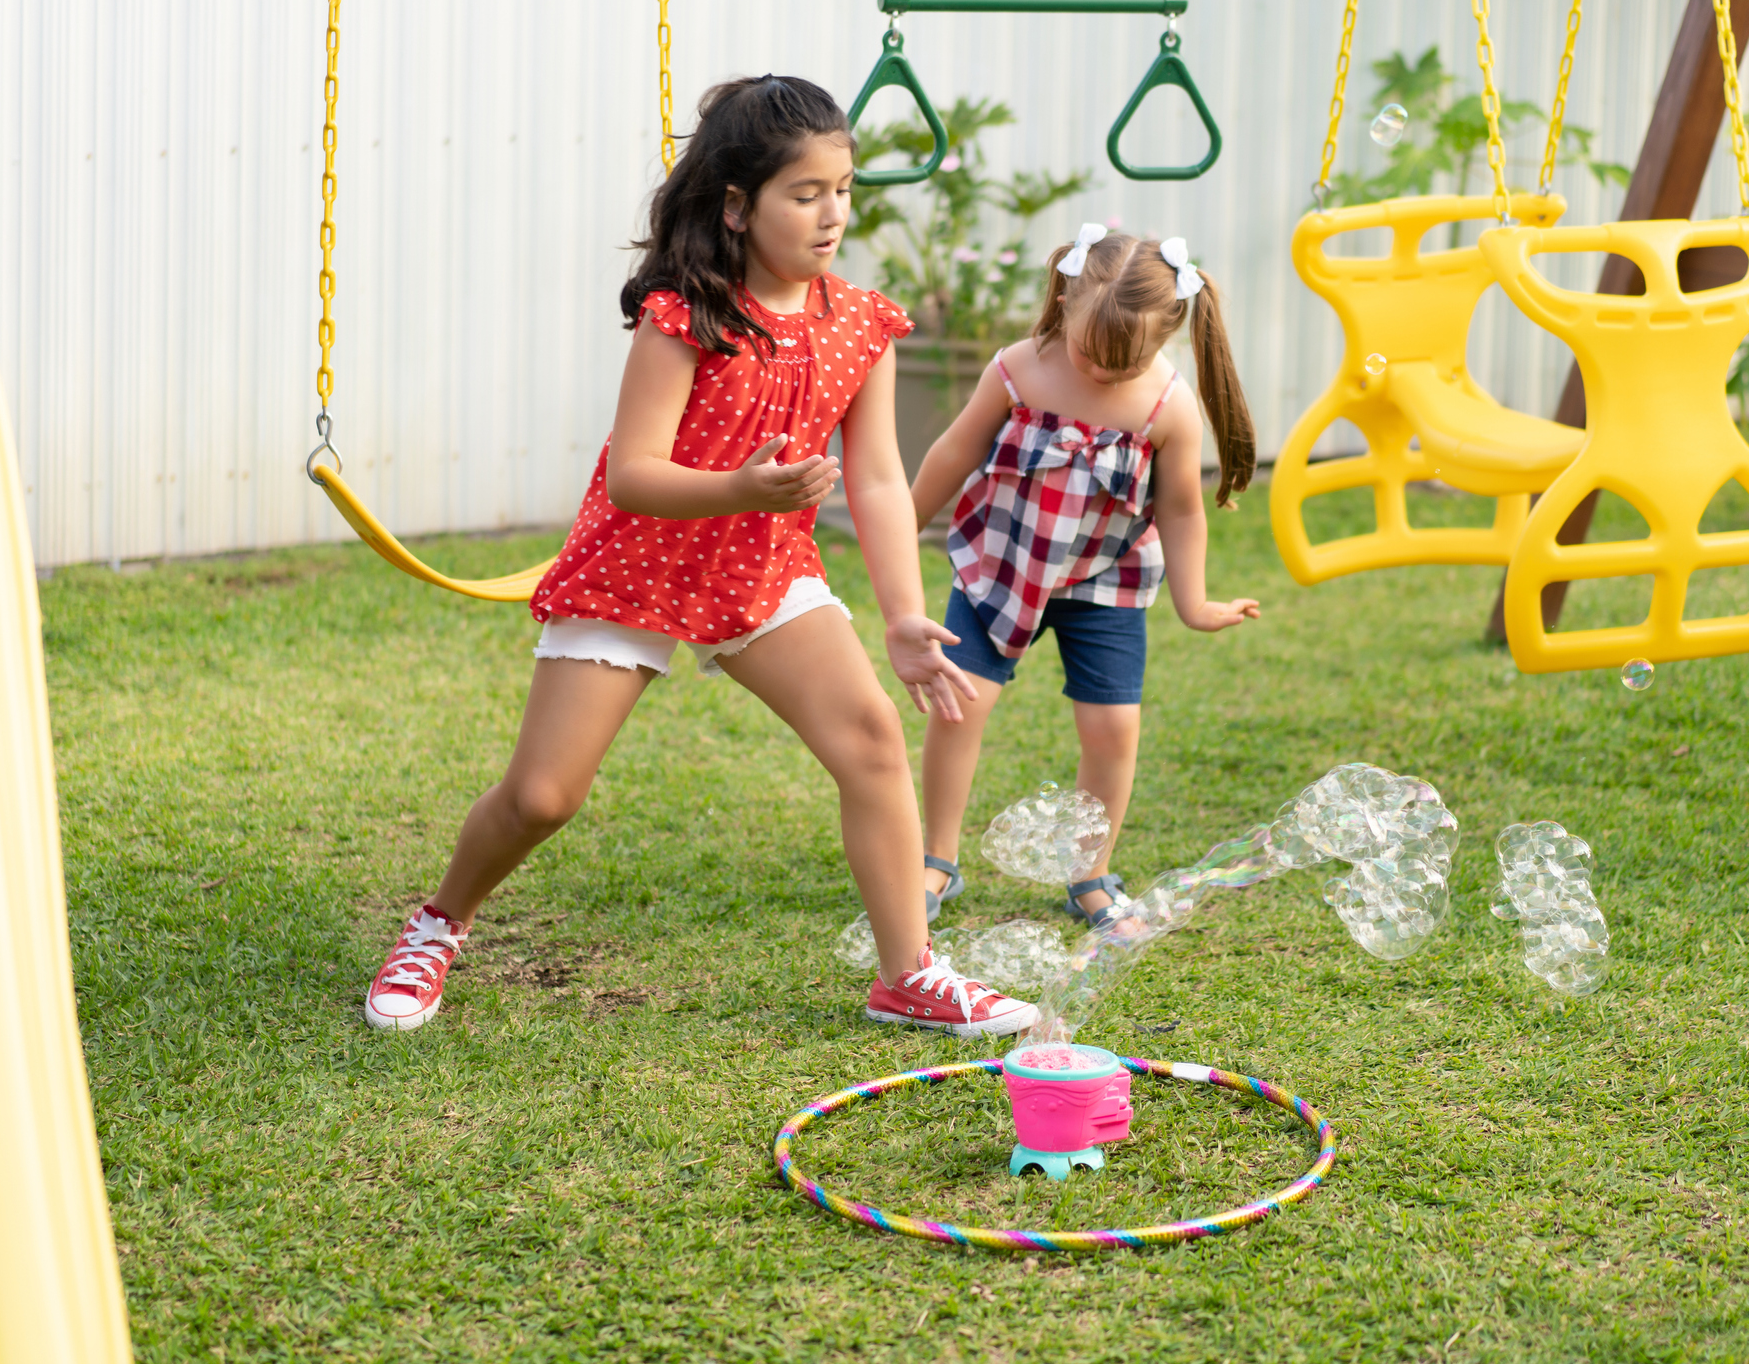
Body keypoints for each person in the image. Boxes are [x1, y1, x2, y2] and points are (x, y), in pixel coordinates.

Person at [361, 76, 1037, 1038]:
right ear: (737, 203)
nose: (832, 213)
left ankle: (908, 974)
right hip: (639, 563)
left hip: (762, 569)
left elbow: (879, 479)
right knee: (544, 796)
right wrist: (738, 489)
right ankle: (438, 923)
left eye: (843, 190)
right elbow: (634, 474)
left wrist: (899, 616)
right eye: (805, 194)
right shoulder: (684, 316)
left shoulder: (861, 327)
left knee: (873, 741)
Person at [910, 226, 1261, 929]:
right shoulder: (1019, 369)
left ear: (1162, 341)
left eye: (1123, 363)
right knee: (960, 704)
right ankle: (936, 860)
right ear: (1066, 300)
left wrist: (1193, 604)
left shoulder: (1166, 407)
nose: (1101, 374)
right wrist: (900, 525)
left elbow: (1183, 510)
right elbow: (952, 453)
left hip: (1106, 582)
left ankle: (1090, 873)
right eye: (1089, 354)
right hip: (1003, 563)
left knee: (1111, 729)